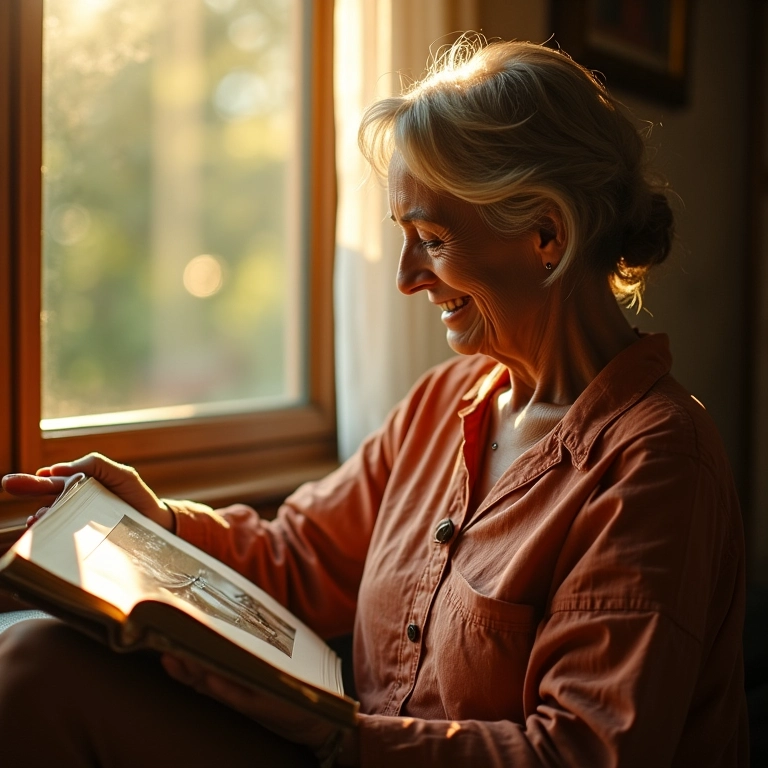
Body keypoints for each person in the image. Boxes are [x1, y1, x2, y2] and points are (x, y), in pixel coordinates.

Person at [0, 38, 748, 767]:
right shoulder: (447, 400)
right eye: (402, 235)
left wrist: (330, 733)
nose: (405, 276)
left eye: (431, 237)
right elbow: (297, 557)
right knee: (34, 659)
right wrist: (156, 522)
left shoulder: (653, 460)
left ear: (545, 235)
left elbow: (580, 751)